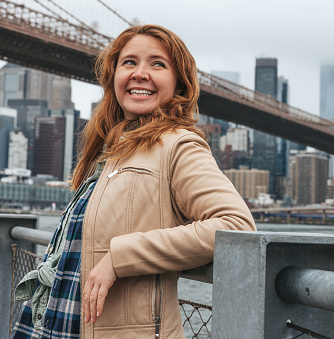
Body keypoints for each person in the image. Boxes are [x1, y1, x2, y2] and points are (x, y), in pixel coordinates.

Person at [10, 24, 256, 339]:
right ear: (114, 77)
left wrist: (120, 258)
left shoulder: (178, 145)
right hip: (54, 321)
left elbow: (235, 225)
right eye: (129, 62)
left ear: (178, 84)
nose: (140, 73)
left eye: (158, 64)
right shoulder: (113, 150)